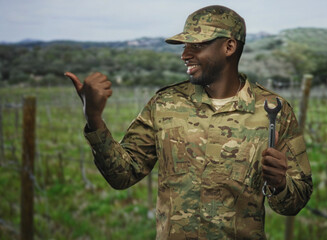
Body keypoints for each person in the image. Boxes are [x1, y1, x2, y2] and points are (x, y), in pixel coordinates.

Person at [65, 5, 312, 240]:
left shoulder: (274, 111)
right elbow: (123, 175)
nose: (184, 54)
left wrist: (280, 184)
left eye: (197, 45)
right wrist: (94, 118)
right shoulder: (165, 104)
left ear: (229, 47)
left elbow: (296, 201)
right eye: (185, 45)